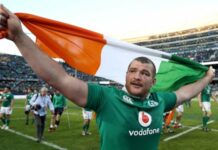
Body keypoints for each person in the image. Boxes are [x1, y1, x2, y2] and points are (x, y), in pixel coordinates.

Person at [0, 5, 215, 149]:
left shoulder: (159, 101)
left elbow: (184, 93)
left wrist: (207, 77)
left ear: (153, 81)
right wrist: (19, 37)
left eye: (144, 73)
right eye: (132, 71)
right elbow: (60, 79)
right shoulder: (106, 97)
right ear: (125, 75)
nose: (137, 76)